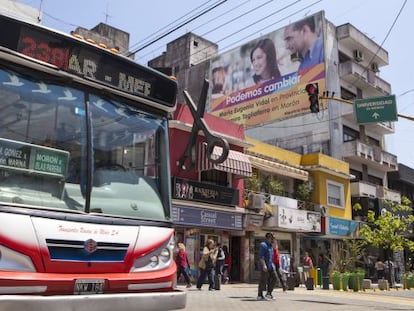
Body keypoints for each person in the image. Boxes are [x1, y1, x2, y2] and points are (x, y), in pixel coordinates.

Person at [257, 232, 277, 300]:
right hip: (264, 266)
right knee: (263, 281)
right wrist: (264, 265)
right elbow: (261, 256)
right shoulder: (263, 245)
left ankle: (269, 293)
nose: (274, 240)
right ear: (269, 238)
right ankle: (259, 295)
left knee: (275, 278)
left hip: (270, 266)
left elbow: (271, 256)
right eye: (273, 238)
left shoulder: (271, 246)